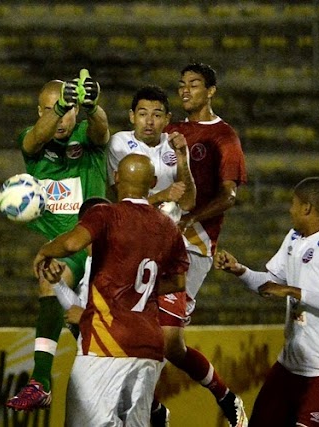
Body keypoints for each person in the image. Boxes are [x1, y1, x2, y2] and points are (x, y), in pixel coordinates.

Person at [107, 84, 247, 427]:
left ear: (168, 119)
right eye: (142, 114)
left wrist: (183, 161)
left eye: (157, 114)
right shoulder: (119, 145)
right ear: (131, 117)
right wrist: (163, 195)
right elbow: (121, 205)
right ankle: (153, 410)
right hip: (136, 252)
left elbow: (187, 202)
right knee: (125, 338)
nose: (149, 121)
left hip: (175, 252)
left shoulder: (173, 145)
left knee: (170, 345)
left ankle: (225, 396)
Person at [34, 153, 189, 426]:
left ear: (116, 178)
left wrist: (45, 251)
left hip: (105, 346)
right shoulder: (169, 227)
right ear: (153, 182)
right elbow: (177, 284)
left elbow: (71, 244)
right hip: (148, 348)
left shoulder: (106, 214)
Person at [215, 177, 319, 427]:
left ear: (307, 208)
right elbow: (271, 283)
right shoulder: (294, 238)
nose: (290, 210)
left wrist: (294, 291)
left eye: (294, 204)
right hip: (291, 364)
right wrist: (239, 270)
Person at [6, 70, 110, 411]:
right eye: (53, 109)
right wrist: (63, 101)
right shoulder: (34, 146)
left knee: (104, 337)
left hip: (97, 249)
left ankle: (148, 405)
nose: (62, 117)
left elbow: (102, 130)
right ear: (41, 112)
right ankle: (40, 382)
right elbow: (35, 138)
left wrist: (92, 108)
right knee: (60, 295)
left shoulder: (86, 135)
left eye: (67, 110)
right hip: (61, 249)